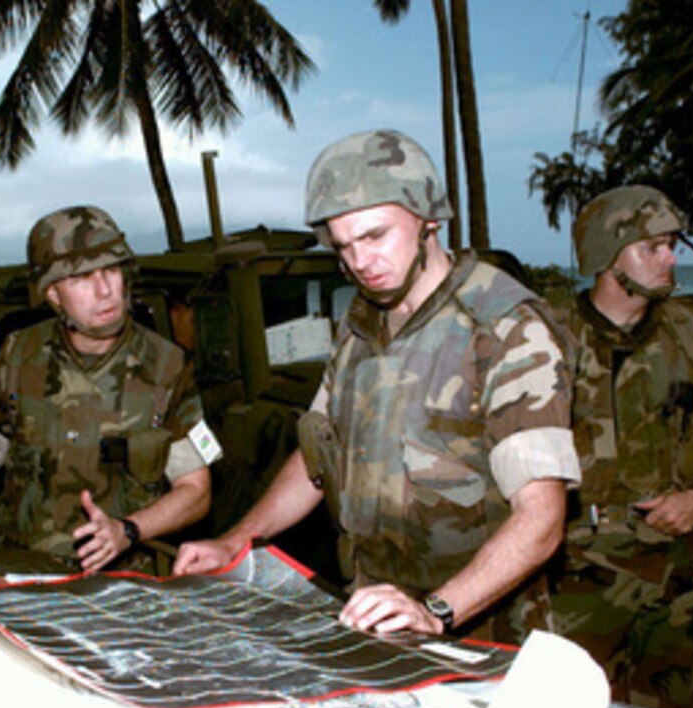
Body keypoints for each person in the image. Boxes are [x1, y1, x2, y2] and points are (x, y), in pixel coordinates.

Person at [174, 129, 580, 644]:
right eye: (343, 246)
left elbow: (541, 517)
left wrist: (436, 612)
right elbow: (317, 458)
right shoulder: (363, 324)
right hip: (371, 616)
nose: (359, 262)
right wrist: (235, 541)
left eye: (375, 236)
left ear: (429, 217)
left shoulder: (505, 326)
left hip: (479, 624)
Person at [550, 185, 693, 708]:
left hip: (680, 578)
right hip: (577, 577)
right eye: (653, 247)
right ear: (604, 254)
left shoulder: (692, 338)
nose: (671, 260)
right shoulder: (547, 340)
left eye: (671, 246)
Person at [0, 205, 215, 573]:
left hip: (124, 580)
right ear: (53, 293)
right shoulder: (16, 358)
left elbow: (196, 491)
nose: (106, 290)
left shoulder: (167, 367)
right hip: (21, 571)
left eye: (112, 270)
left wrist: (128, 530)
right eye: (82, 277)